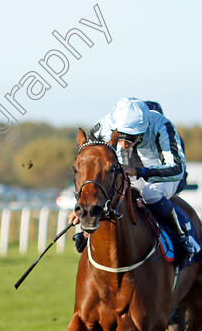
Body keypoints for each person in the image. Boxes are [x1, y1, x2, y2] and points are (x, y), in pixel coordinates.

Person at [72, 97, 199, 258]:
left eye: (131, 138)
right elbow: (87, 168)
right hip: (124, 172)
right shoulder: (102, 127)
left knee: (150, 194)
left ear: (144, 129)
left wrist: (140, 172)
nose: (124, 144)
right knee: (109, 195)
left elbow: (177, 169)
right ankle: (87, 233)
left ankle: (183, 235)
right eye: (121, 137)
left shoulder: (163, 126)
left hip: (162, 175)